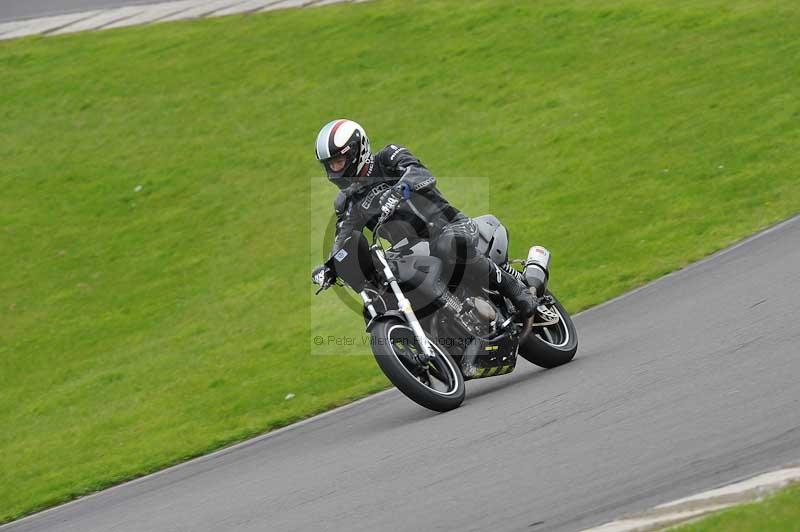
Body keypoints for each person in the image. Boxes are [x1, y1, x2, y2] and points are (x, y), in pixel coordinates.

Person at [311, 118, 536, 319]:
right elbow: (343, 236)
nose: (335, 169)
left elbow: (421, 173)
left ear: (356, 152)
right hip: (412, 249)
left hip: (450, 226)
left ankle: (515, 288)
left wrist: (399, 190)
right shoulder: (347, 201)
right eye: (330, 164)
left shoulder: (388, 156)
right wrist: (331, 266)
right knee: (389, 279)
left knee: (447, 246)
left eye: (339, 161)